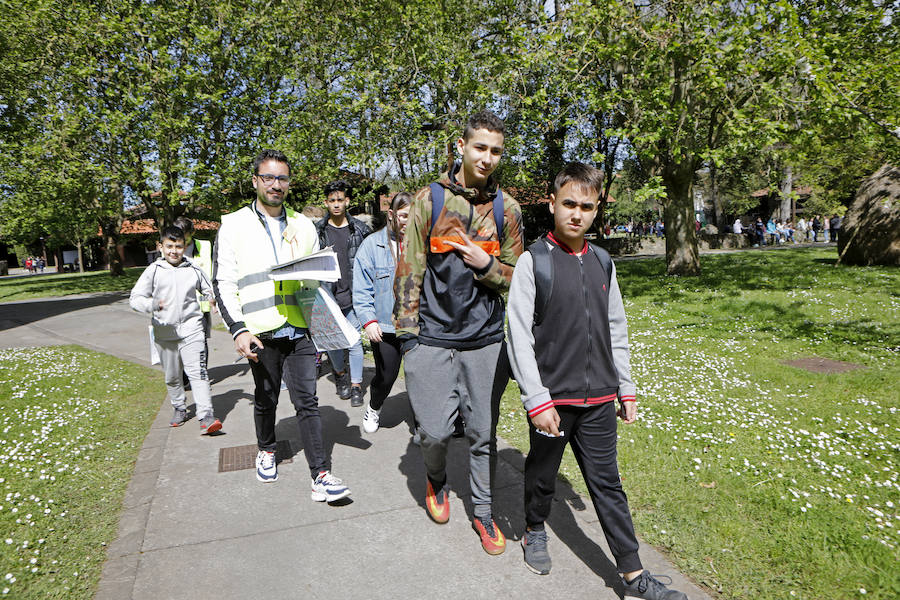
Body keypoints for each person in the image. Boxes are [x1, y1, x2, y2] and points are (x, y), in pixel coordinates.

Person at [507, 162, 687, 599]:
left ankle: (632, 575)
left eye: (586, 206)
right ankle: (534, 527)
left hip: (601, 399)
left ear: (597, 209)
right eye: (568, 204)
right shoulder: (535, 263)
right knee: (543, 475)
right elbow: (518, 335)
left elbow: (616, 328)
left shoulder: (603, 262)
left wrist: (626, 386)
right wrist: (537, 399)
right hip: (553, 402)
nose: (576, 214)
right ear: (551, 204)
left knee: (608, 485)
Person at [394, 109, 524, 555]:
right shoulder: (429, 201)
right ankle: (435, 478)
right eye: (480, 148)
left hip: (485, 339)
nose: (487, 158)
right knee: (433, 431)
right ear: (462, 148)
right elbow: (408, 269)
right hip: (430, 338)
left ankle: (484, 514)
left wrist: (488, 267)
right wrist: (409, 341)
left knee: (484, 433)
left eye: (496, 151)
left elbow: (516, 279)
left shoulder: (507, 211)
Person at [213, 149, 350, 502]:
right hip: (260, 330)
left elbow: (316, 282)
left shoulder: (304, 225)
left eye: (283, 178)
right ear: (256, 180)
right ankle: (267, 448)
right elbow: (224, 283)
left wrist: (323, 329)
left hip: (300, 328)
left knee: (308, 400)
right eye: (269, 177)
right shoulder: (233, 224)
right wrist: (238, 329)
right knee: (266, 398)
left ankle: (321, 474)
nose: (276, 184)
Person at [129, 225, 222, 434]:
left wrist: (212, 298)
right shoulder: (153, 270)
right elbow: (135, 299)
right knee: (172, 376)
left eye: (178, 246)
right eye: (169, 246)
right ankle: (179, 407)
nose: (174, 251)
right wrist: (151, 305)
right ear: (160, 246)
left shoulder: (193, 269)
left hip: (192, 329)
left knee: (198, 373)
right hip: (165, 332)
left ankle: (206, 416)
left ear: (184, 247)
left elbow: (209, 287)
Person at [353, 192, 411, 433]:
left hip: (417, 326)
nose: (409, 221)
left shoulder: (423, 245)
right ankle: (375, 406)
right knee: (386, 377)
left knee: (419, 379)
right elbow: (361, 288)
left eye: (413, 216)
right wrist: (369, 321)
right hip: (385, 327)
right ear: (391, 215)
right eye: (404, 216)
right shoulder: (371, 246)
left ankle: (421, 424)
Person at [315, 180, 372, 407]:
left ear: (347, 201)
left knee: (354, 341)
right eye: (332, 201)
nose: (336, 205)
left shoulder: (360, 230)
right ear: (326, 203)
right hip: (329, 295)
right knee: (335, 343)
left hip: (354, 294)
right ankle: (340, 375)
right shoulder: (318, 231)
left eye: (340, 200)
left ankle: (356, 385)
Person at [174, 216, 215, 337]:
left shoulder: (205, 246)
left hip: (201, 307)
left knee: (201, 343)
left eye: (184, 236)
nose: (180, 240)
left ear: (192, 232)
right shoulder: (169, 249)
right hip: (177, 307)